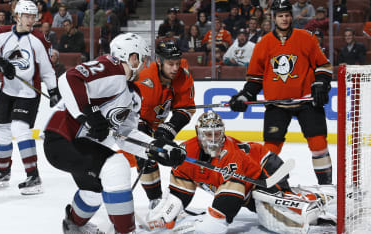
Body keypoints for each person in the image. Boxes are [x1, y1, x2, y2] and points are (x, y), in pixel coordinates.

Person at [42, 33, 187, 233]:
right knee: (116, 166)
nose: (144, 65)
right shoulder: (112, 67)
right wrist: (89, 113)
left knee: (93, 189)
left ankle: (73, 224)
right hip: (62, 139)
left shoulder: (132, 94)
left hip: (82, 146)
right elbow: (69, 78)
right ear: (132, 57)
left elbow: (125, 134)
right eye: (142, 59)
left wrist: (155, 148)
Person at [146, 111, 336, 234]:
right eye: (208, 134)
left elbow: (224, 212)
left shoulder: (231, 156)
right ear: (198, 133)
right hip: (249, 178)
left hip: (265, 168)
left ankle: (325, 195)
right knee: (262, 209)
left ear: (223, 132)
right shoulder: (186, 152)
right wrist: (166, 215)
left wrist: (207, 224)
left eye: (217, 134)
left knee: (277, 218)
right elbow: (180, 190)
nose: (213, 140)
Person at [228, 0, 333, 185]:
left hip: (307, 102)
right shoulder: (263, 44)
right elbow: (255, 78)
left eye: (286, 15)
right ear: (273, 17)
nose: (284, 19)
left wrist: (320, 83)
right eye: (280, 16)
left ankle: (326, 187)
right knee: (269, 150)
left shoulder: (306, 37)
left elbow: (323, 66)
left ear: (291, 16)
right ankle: (265, 186)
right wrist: (245, 96)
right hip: (277, 105)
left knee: (318, 145)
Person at [0, 0, 60, 195]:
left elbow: (47, 69)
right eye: (27, 16)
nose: (30, 20)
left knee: (20, 128)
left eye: (33, 16)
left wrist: (53, 90)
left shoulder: (38, 39)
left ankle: (33, 176)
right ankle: (3, 172)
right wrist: (0, 63)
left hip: (28, 92)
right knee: (1, 130)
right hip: (7, 90)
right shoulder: (1, 34)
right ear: (17, 16)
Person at [125, 40, 195, 210]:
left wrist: (169, 129)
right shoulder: (144, 80)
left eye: (177, 63)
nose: (175, 68)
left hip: (156, 122)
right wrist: (145, 138)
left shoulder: (183, 76)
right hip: (134, 121)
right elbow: (132, 114)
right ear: (159, 61)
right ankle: (155, 200)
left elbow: (186, 109)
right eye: (170, 64)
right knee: (144, 157)